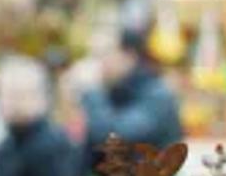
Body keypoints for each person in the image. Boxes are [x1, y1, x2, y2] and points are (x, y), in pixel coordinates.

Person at [72, 10, 183, 168]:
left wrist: (92, 92)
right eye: (92, 55)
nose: (95, 64)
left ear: (129, 56)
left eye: (102, 54)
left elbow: (114, 137)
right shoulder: (112, 90)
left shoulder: (157, 95)